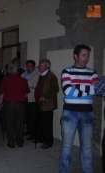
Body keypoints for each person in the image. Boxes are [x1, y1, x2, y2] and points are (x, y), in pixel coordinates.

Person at [59, 45, 99, 173]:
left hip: (88, 113)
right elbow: (68, 90)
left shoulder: (92, 72)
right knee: (66, 147)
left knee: (87, 147)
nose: (86, 58)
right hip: (70, 112)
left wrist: (77, 86)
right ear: (75, 56)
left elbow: (97, 90)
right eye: (84, 55)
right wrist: (88, 88)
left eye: (88, 55)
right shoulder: (67, 71)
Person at [0, 64, 30, 148]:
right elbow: (27, 91)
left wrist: (0, 103)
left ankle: (11, 142)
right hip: (20, 104)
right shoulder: (23, 80)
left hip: (9, 104)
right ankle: (19, 141)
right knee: (20, 124)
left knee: (10, 124)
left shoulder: (5, 80)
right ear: (16, 71)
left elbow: (2, 93)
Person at [33, 59, 59, 149]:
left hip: (47, 104)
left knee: (47, 123)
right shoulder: (42, 75)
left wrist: (45, 96)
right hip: (40, 103)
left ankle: (48, 141)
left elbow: (55, 89)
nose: (38, 66)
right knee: (41, 122)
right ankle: (41, 138)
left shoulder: (51, 76)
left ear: (46, 66)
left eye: (40, 65)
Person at [21, 60, 40, 140]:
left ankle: (33, 134)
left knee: (33, 117)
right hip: (23, 98)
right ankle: (28, 131)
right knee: (26, 116)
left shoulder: (37, 74)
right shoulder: (23, 74)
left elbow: (35, 85)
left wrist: (26, 82)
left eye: (30, 66)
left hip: (32, 99)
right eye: (27, 66)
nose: (28, 67)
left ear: (34, 66)